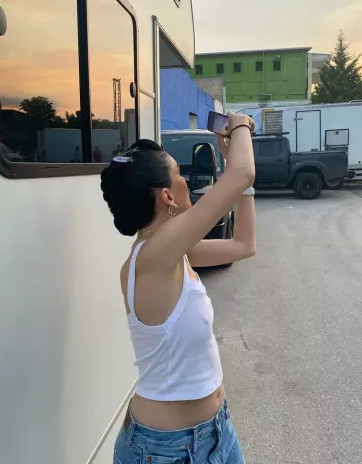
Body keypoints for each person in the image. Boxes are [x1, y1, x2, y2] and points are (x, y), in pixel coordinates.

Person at [100, 112, 256, 464]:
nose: (187, 180)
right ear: (167, 196)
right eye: (179, 175)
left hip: (217, 431)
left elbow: (244, 244)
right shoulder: (151, 258)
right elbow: (242, 172)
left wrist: (241, 183)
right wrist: (240, 126)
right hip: (164, 450)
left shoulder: (175, 254)